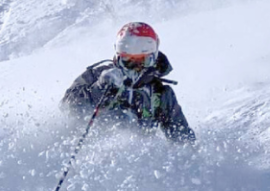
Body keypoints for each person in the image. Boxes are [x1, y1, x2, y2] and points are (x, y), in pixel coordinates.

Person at [61, 22, 195, 143]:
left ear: (153, 58)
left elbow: (183, 140)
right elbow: (67, 106)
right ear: (118, 56)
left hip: (139, 162)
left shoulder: (160, 94)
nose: (136, 69)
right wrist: (99, 87)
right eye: (128, 62)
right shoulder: (97, 75)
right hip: (92, 153)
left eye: (143, 61)